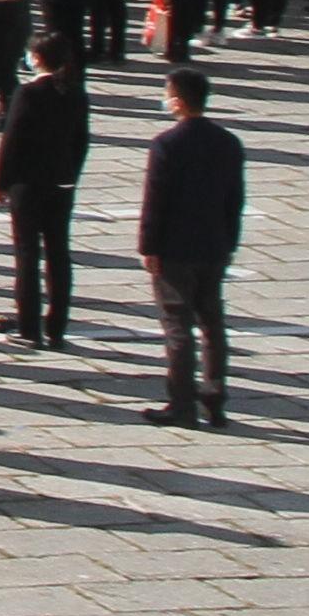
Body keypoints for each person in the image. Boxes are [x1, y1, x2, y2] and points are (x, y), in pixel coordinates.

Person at [136, 64, 247, 430]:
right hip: (214, 244)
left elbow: (156, 201)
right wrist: (230, 241)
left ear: (179, 101)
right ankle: (214, 397)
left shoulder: (167, 144)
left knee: (177, 324)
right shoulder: (229, 142)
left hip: (175, 247)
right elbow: (235, 199)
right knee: (212, 322)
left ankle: (181, 402)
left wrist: (148, 246)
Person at [0, 35, 92, 349]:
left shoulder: (28, 93)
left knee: (27, 255)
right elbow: (81, 141)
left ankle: (30, 327)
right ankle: (57, 326)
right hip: (61, 182)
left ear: (36, 57)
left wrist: (0, 181)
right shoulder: (75, 92)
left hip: (28, 183)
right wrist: (71, 174)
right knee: (59, 253)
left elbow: (13, 140)